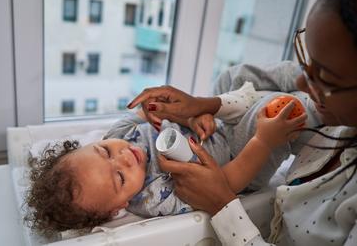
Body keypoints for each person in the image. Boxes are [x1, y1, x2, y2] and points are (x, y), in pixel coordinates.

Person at [127, 0, 357, 245]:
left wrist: (222, 203)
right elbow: (279, 86)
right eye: (305, 59)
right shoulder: (348, 115)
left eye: (326, 78)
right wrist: (205, 105)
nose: (301, 79)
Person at [25, 98, 306, 236]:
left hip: (213, 129)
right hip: (241, 156)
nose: (123, 157)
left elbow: (150, 112)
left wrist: (190, 116)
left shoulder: (117, 135)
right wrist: (262, 140)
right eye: (120, 178)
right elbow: (226, 184)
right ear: (117, 208)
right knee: (272, 107)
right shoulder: (155, 194)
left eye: (104, 151)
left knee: (233, 78)